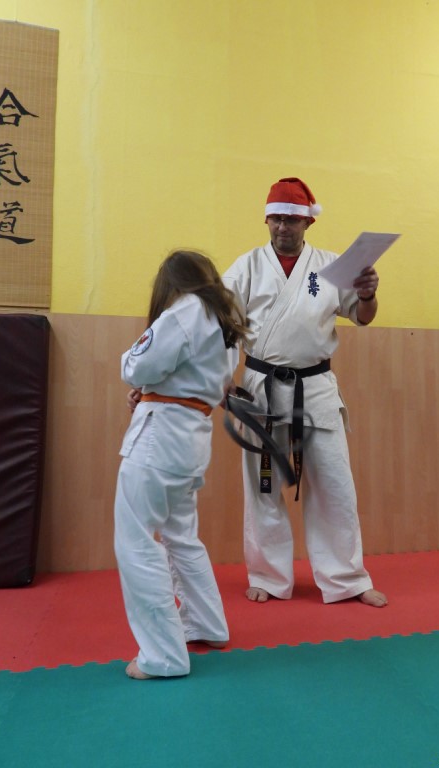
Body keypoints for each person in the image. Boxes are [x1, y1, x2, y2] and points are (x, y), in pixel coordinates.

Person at [222, 177, 388, 608]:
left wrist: (368, 294)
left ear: (307, 222)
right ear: (266, 219)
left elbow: (363, 316)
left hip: (315, 388)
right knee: (263, 486)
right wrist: (222, 380)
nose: (283, 226)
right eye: (276, 218)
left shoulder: (331, 266)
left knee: (334, 484)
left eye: (292, 219)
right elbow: (223, 329)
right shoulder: (245, 268)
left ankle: (347, 578)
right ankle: (268, 575)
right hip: (261, 388)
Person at [114, 249, 248, 680]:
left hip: (160, 440)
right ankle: (207, 624)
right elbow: (204, 380)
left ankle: (162, 656)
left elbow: (137, 365)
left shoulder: (184, 311)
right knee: (181, 536)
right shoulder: (225, 322)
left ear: (172, 283)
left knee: (137, 541)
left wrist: (143, 382)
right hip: (190, 437)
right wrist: (151, 389)